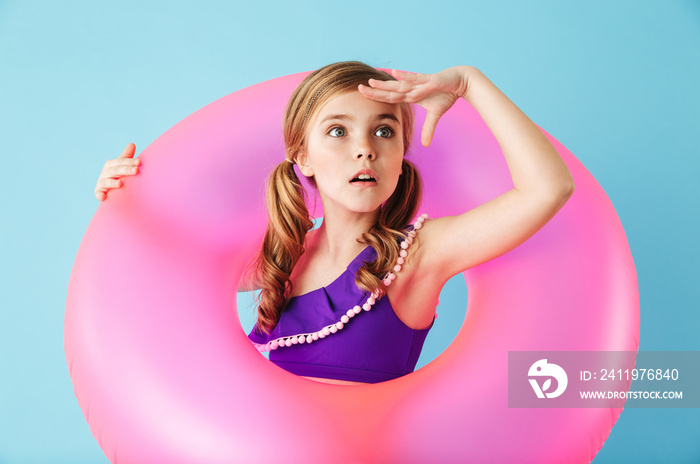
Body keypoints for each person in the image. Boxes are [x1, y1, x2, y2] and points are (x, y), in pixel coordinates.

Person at [94, 61, 574, 385]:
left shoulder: (423, 253)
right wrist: (123, 199)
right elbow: (170, 262)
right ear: (303, 156)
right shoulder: (282, 255)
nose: (364, 147)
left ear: (401, 158)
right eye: (338, 131)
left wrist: (471, 83)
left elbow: (548, 190)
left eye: (384, 130)